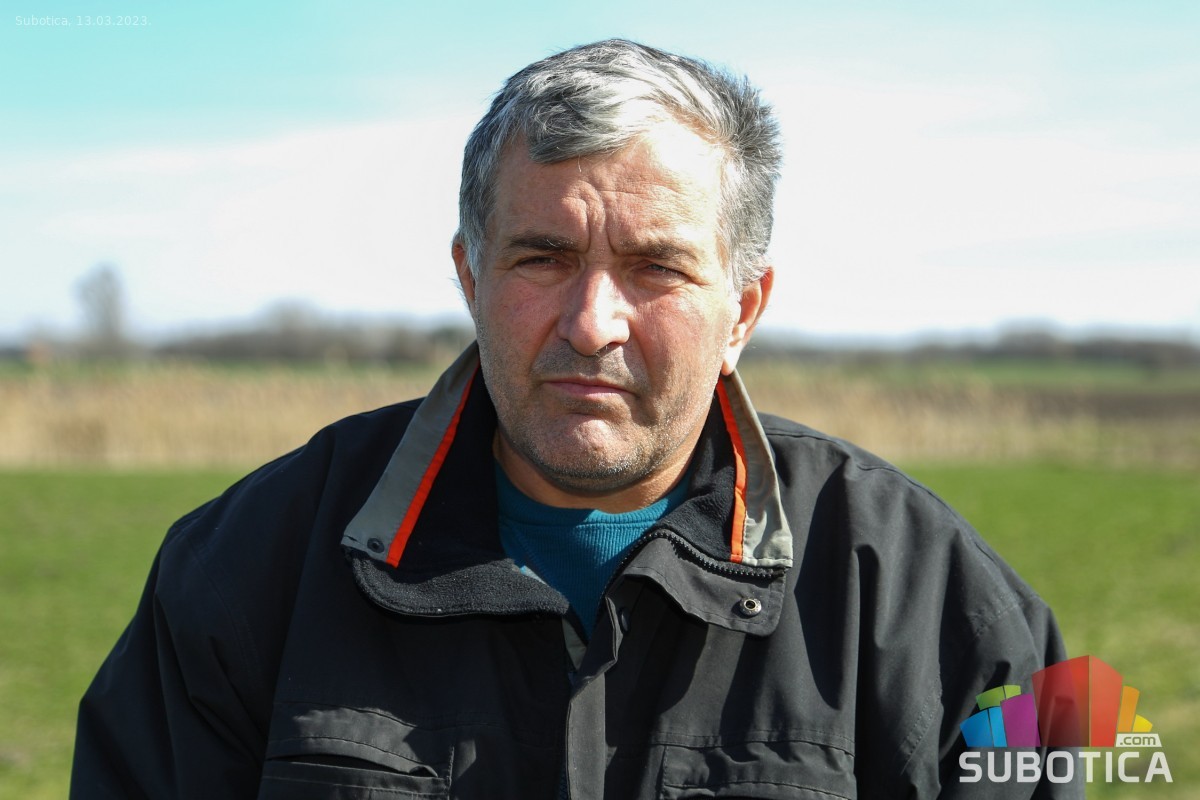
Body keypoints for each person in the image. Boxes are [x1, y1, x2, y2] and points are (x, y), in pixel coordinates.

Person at [71, 40, 1079, 798]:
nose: (593, 323)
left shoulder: (934, 596)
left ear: (743, 309)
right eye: (543, 257)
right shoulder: (246, 567)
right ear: (471, 274)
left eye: (657, 267)